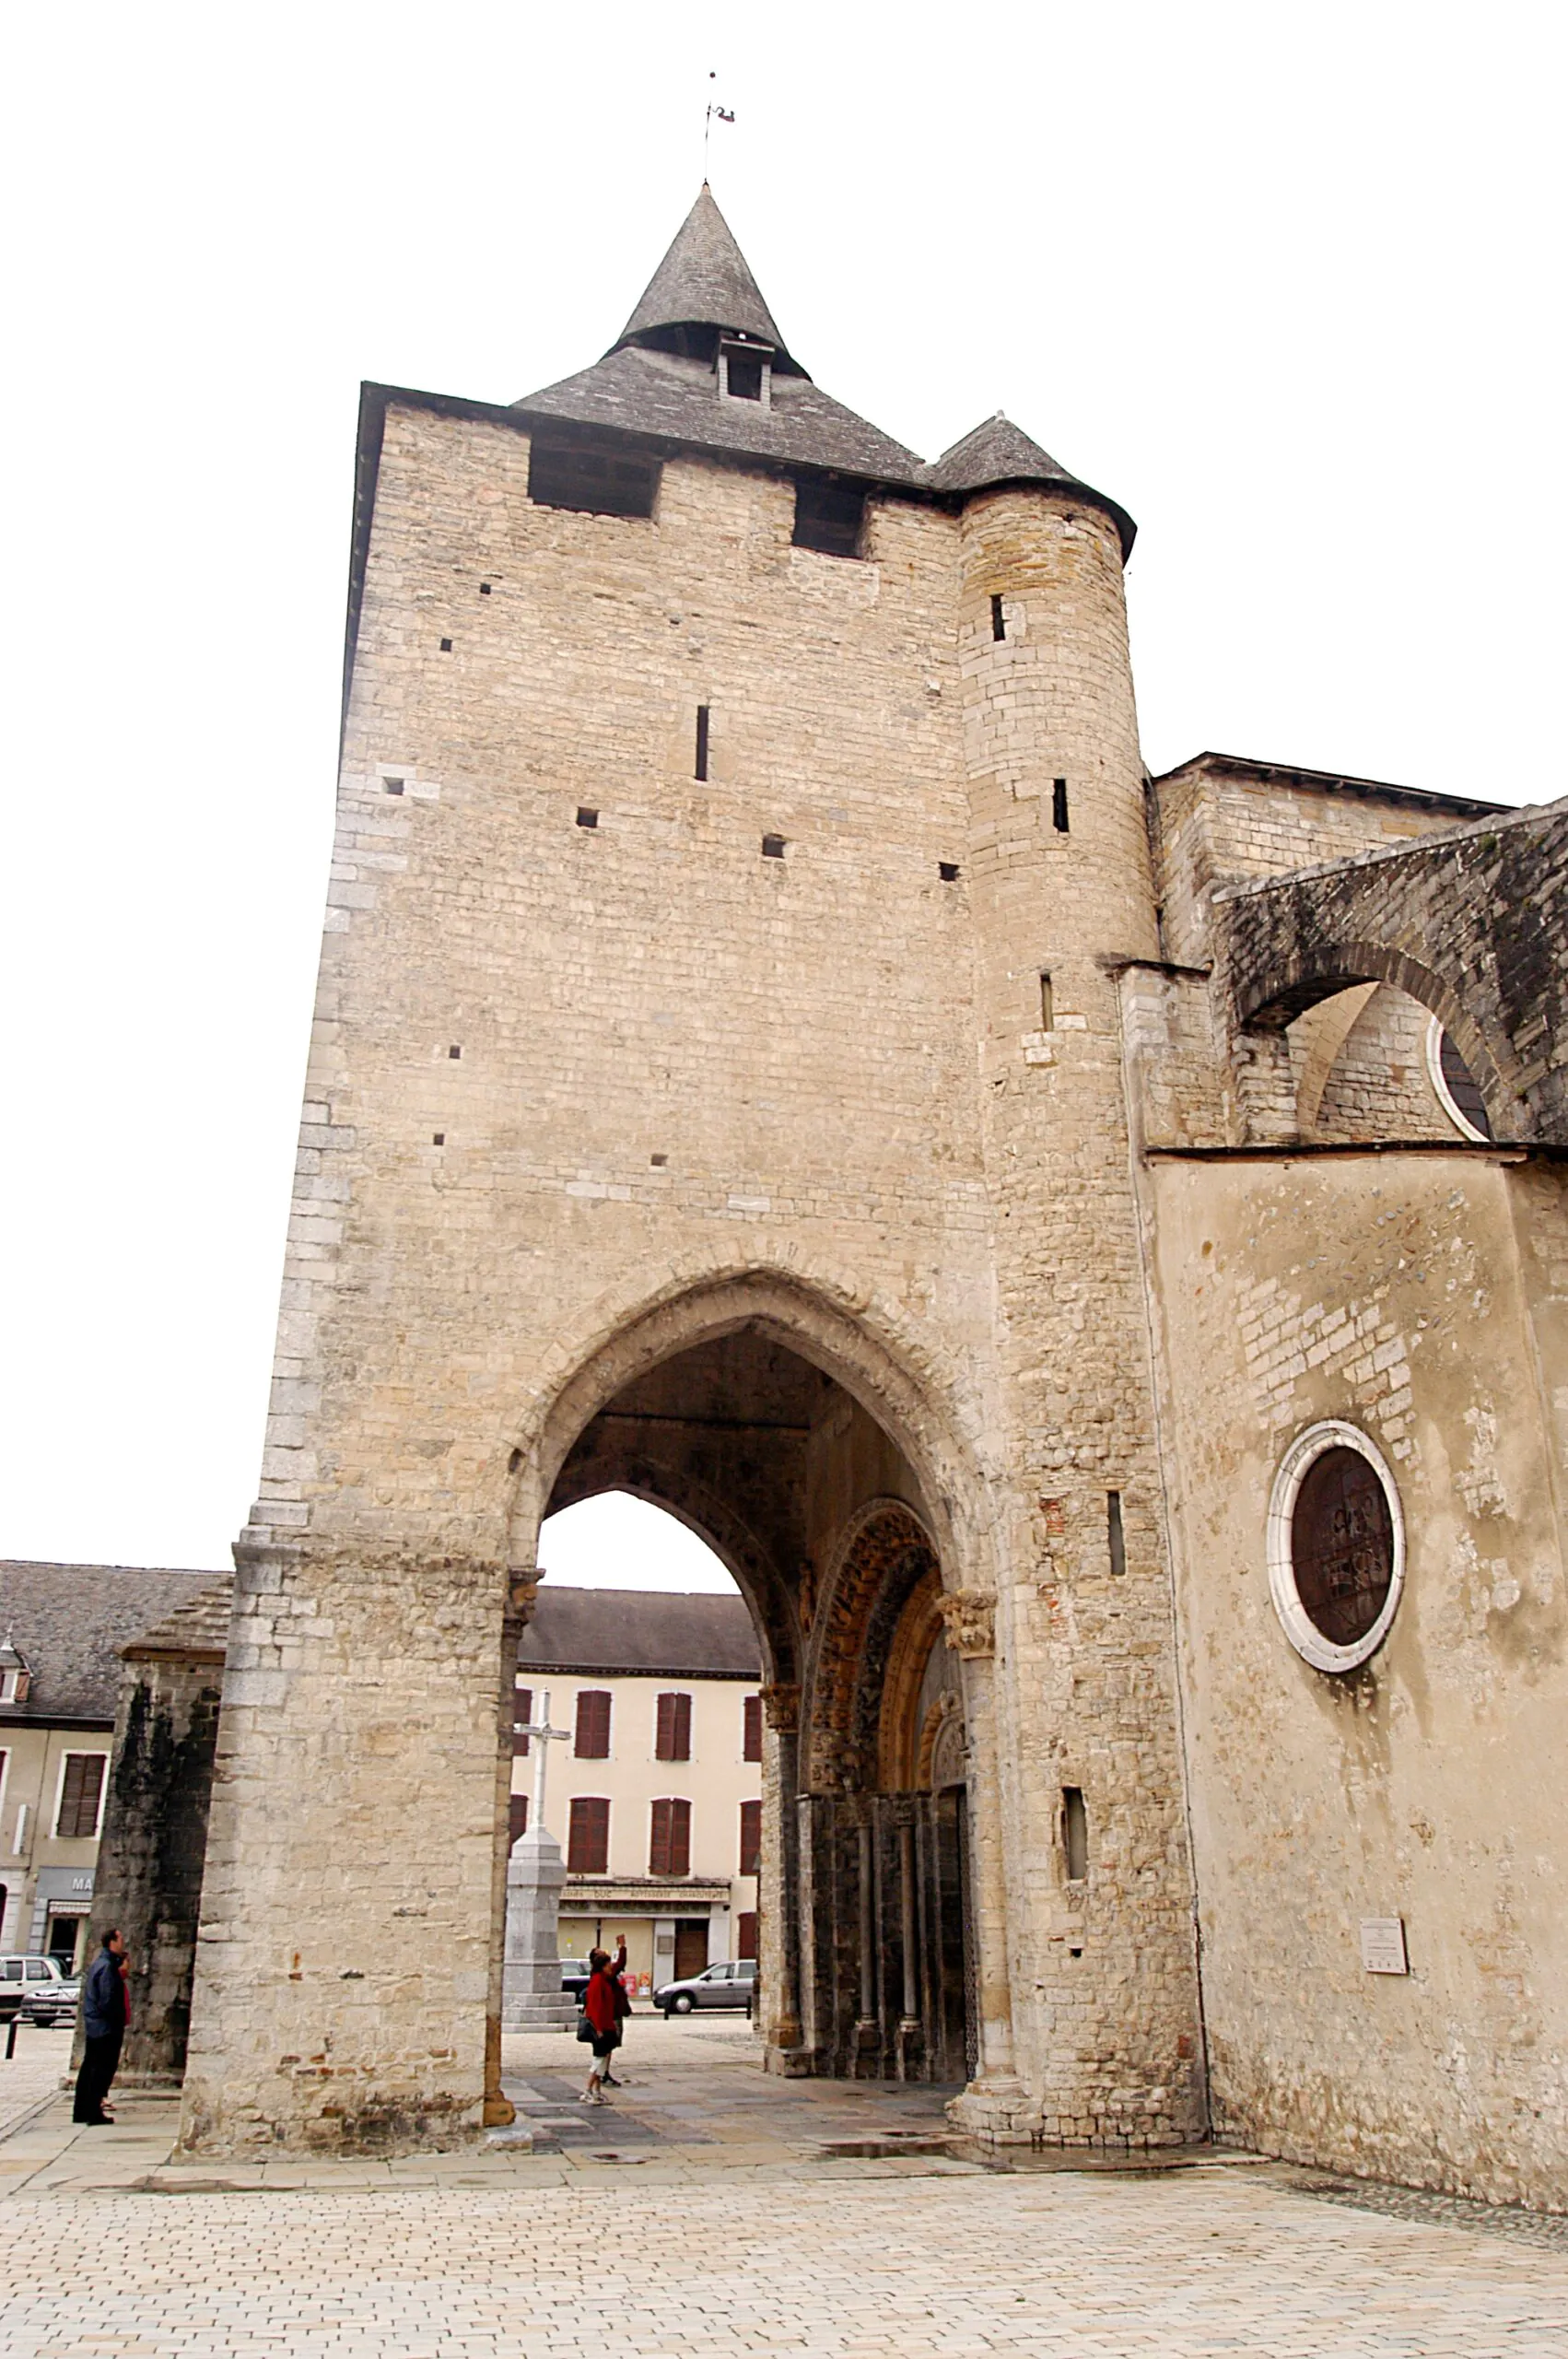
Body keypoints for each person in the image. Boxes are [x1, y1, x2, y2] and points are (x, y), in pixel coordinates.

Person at [72, 1928, 129, 2126]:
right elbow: (107, 1998)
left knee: (90, 2068)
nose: (123, 1942)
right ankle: (94, 2112)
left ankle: (82, 2110)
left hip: (96, 2024)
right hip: (104, 2026)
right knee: (99, 2070)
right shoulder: (106, 1966)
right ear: (112, 1941)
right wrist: (116, 2020)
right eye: (120, 1939)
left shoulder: (102, 1963)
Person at [578, 1944, 623, 2104]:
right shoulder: (598, 1982)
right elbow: (595, 2007)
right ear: (603, 1967)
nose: (611, 1967)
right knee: (599, 2059)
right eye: (609, 1965)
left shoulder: (602, 1980)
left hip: (606, 2024)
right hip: (602, 2026)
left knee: (602, 2059)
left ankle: (596, 2091)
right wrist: (599, 2028)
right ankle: (588, 2090)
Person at [600, 1938, 632, 2088]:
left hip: (612, 2014)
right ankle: (601, 2074)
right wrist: (622, 1948)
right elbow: (620, 1964)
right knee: (607, 2046)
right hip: (611, 2015)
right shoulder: (605, 1976)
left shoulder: (603, 1976)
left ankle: (603, 2073)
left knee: (608, 2047)